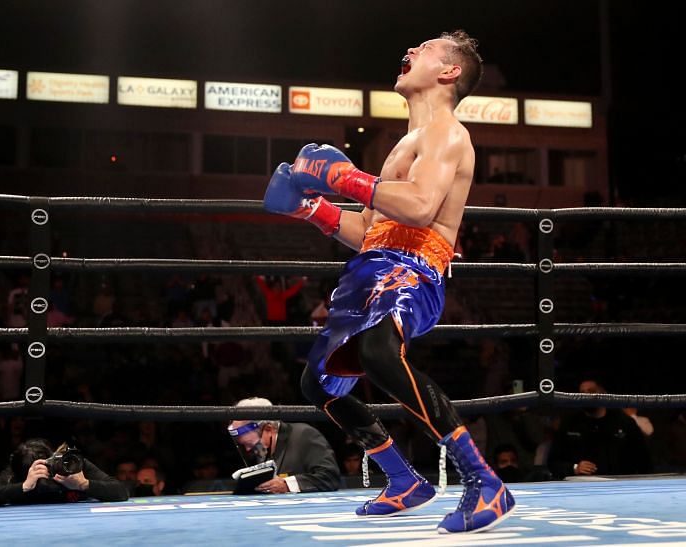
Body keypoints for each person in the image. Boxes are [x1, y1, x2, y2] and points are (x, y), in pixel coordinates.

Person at [263, 30, 513, 533]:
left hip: (414, 268)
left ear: (449, 73)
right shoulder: (403, 143)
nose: (411, 51)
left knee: (378, 354)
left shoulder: (447, 133)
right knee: (319, 384)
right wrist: (312, 206)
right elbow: (367, 232)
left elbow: (420, 208)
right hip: (375, 267)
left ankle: (485, 481)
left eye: (425, 48)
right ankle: (403, 480)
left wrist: (345, 177)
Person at [0, 438, 128, 507]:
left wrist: (84, 484)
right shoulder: (15, 473)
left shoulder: (70, 465)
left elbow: (121, 492)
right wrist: (22, 487)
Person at [227, 397, 340, 493]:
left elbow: (330, 477)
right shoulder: (264, 448)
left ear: (268, 429)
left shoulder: (304, 435)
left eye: (251, 444)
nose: (248, 449)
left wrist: (287, 484)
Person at [547, 379, 652, 479]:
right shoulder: (569, 423)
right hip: (581, 485)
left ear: (604, 393)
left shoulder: (624, 422)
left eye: (591, 391)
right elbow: (553, 462)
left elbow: (644, 460)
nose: (586, 395)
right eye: (582, 393)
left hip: (619, 484)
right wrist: (574, 468)